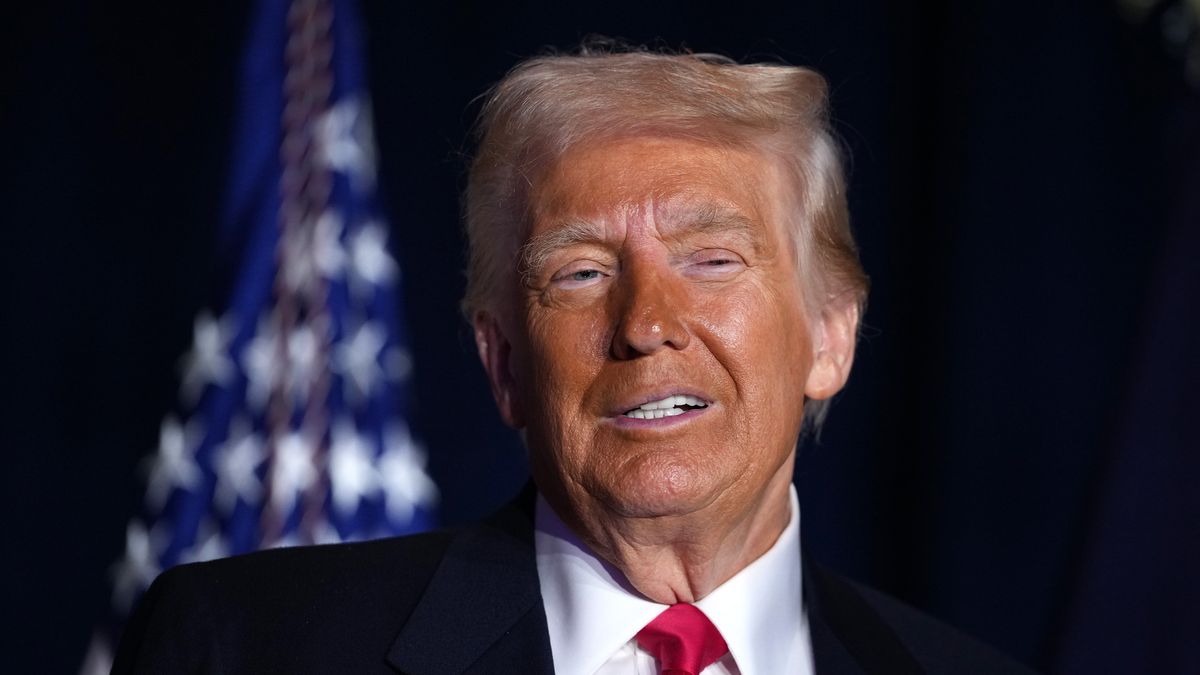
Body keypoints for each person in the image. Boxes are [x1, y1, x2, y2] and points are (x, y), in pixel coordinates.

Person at [113, 46, 1036, 675]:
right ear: (503, 360)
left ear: (830, 334)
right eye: (582, 271)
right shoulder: (246, 647)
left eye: (712, 260)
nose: (647, 324)